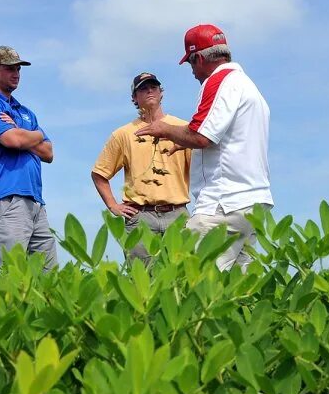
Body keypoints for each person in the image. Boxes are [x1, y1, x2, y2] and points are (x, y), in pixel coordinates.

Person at [135, 24, 273, 271]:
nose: (193, 72)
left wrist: (164, 129)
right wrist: (181, 140)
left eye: (191, 63)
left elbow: (201, 136)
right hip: (253, 204)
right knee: (239, 288)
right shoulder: (247, 86)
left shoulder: (218, 81)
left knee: (187, 278)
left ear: (199, 58)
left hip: (223, 204)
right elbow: (218, 135)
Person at [0, 46, 57, 271]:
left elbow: (49, 153)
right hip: (4, 201)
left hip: (36, 203)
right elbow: (13, 141)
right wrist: (35, 135)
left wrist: (21, 132)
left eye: (18, 68)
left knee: (49, 279)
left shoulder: (25, 111)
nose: (16, 73)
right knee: (6, 275)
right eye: (9, 68)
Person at [91, 72, 191, 265]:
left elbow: (201, 168)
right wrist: (113, 205)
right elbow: (99, 174)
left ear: (161, 93)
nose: (149, 91)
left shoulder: (183, 128)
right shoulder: (123, 134)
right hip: (140, 216)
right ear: (135, 98)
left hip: (178, 214)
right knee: (142, 284)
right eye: (143, 89)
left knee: (181, 280)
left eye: (153, 87)